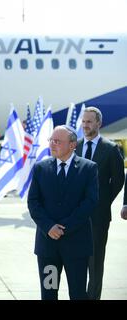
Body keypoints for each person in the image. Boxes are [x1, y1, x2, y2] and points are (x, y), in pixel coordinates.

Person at [28, 125, 99, 300]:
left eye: (58, 141)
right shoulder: (40, 168)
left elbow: (90, 202)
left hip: (76, 246)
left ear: (73, 145)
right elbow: (33, 203)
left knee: (78, 294)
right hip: (48, 247)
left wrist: (63, 227)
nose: (52, 144)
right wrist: (49, 227)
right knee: (49, 293)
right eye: (51, 140)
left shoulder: (88, 168)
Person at [74, 106, 125, 300]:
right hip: (75, 217)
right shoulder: (75, 146)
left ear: (98, 123)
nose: (85, 125)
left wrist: (102, 202)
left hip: (98, 216)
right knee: (77, 261)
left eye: (89, 122)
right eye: (83, 121)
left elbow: (118, 180)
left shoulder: (110, 149)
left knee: (95, 264)